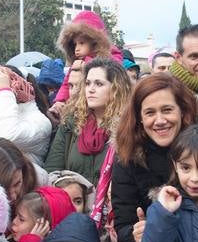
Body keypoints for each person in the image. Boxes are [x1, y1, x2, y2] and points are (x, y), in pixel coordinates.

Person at [45, 56, 132, 185]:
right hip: (72, 202)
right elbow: (52, 170)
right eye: (87, 83)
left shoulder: (127, 127)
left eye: (99, 84)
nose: (90, 89)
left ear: (116, 88)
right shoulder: (71, 123)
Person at [53, 11, 120, 105]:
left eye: (81, 43)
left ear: (94, 42)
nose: (77, 48)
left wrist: (88, 65)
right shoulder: (77, 63)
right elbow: (66, 85)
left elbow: (114, 70)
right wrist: (60, 101)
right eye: (75, 44)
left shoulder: (112, 55)